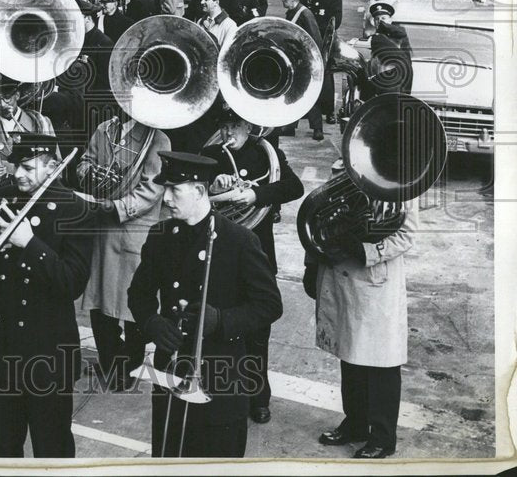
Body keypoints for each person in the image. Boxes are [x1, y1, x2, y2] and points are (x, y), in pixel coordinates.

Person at [127, 151, 283, 458]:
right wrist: (151, 322)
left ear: (200, 191)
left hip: (222, 375)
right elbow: (139, 294)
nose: (166, 198)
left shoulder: (238, 240)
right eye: (165, 188)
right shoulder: (160, 236)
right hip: (171, 368)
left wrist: (222, 321)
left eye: (174, 190)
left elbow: (269, 305)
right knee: (170, 455)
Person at [0, 134, 93, 457]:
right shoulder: (5, 198)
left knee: (51, 448)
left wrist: (31, 244)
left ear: (52, 166)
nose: (17, 174)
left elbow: (73, 282)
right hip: (1, 351)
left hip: (48, 354)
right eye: (16, 166)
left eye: (27, 167)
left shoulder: (76, 209)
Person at [200, 107, 303, 424]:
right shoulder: (210, 153)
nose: (229, 132)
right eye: (225, 125)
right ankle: (219, 392)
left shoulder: (266, 152)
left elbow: (294, 187)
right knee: (218, 327)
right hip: (219, 252)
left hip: (257, 252)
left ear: (248, 126)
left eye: (235, 125)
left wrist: (256, 195)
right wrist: (215, 189)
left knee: (257, 331)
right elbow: (193, 196)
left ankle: (259, 398)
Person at [306, 201, 418, 459]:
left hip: (374, 280)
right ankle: (355, 423)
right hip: (338, 274)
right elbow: (316, 219)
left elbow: (406, 234)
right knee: (350, 353)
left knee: (382, 361)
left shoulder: (398, 183)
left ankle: (383, 436)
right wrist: (311, 264)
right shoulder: (343, 173)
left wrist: (366, 250)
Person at [79, 110, 170, 392]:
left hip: (133, 230)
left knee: (133, 307)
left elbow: (152, 188)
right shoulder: (105, 128)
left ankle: (127, 367)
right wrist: (89, 174)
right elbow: (85, 162)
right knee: (99, 304)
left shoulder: (158, 139)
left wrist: (117, 207)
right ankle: (110, 361)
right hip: (102, 228)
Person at [0, 70, 55, 217]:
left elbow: (56, 164)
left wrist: (10, 167)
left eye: (7, 97)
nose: (2, 104)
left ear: (17, 95)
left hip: (34, 198)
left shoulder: (40, 123)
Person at [279, 0, 325, 140]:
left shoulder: (305, 14)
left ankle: (317, 128)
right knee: (293, 93)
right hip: (294, 60)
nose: (282, 0)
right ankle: (291, 126)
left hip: (305, 62)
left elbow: (315, 40)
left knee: (308, 96)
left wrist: (313, 62)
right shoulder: (292, 12)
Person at [308, 0, 342, 125]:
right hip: (311, 40)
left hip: (325, 42)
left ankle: (329, 111)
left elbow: (335, 23)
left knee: (326, 76)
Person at [367, 2, 413, 95]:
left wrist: (384, 25)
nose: (379, 21)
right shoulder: (376, 37)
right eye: (377, 19)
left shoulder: (399, 35)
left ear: (390, 20)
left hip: (396, 80)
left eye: (383, 18)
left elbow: (407, 60)